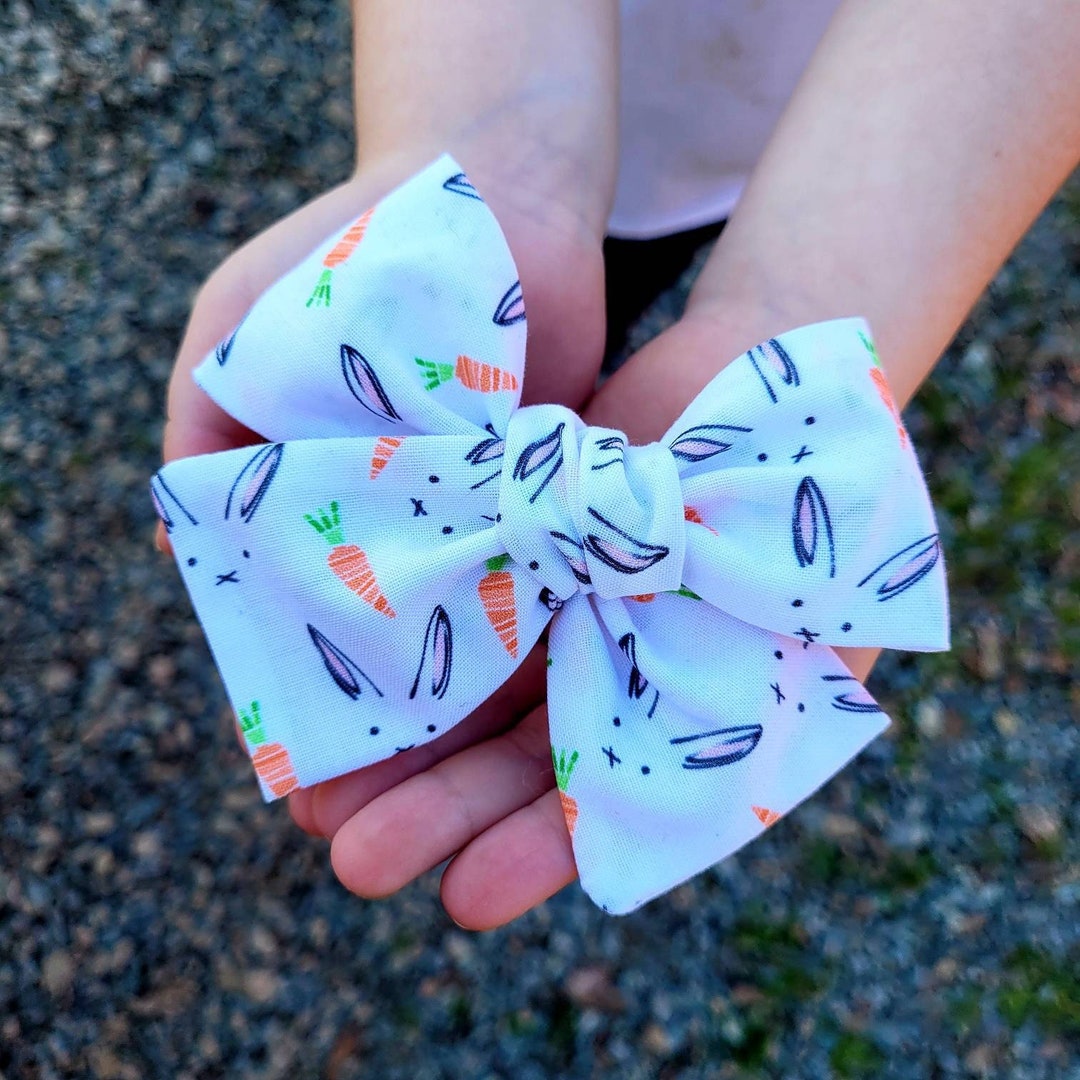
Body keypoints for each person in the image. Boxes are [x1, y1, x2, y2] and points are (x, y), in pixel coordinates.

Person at [157, 0, 1080, 929]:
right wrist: (480, 129)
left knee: (618, 270)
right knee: (582, 282)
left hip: (904, 118)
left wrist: (813, 287)